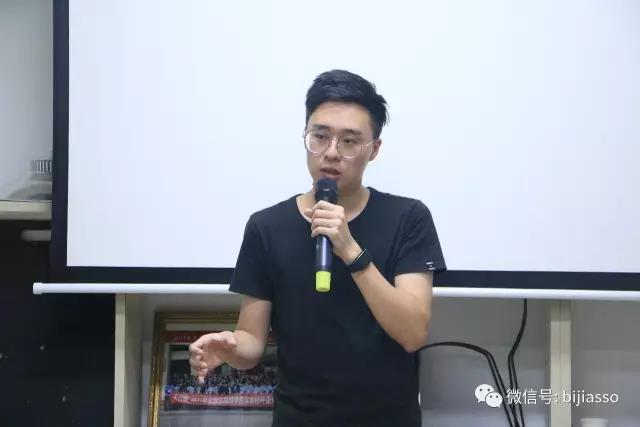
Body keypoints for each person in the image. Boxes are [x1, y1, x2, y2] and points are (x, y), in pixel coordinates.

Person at [189, 69, 446, 426]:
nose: (331, 153)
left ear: (374, 149)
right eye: (320, 136)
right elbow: (251, 340)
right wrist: (230, 348)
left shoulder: (408, 218)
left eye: (350, 141)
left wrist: (350, 251)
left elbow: (412, 333)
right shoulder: (267, 226)